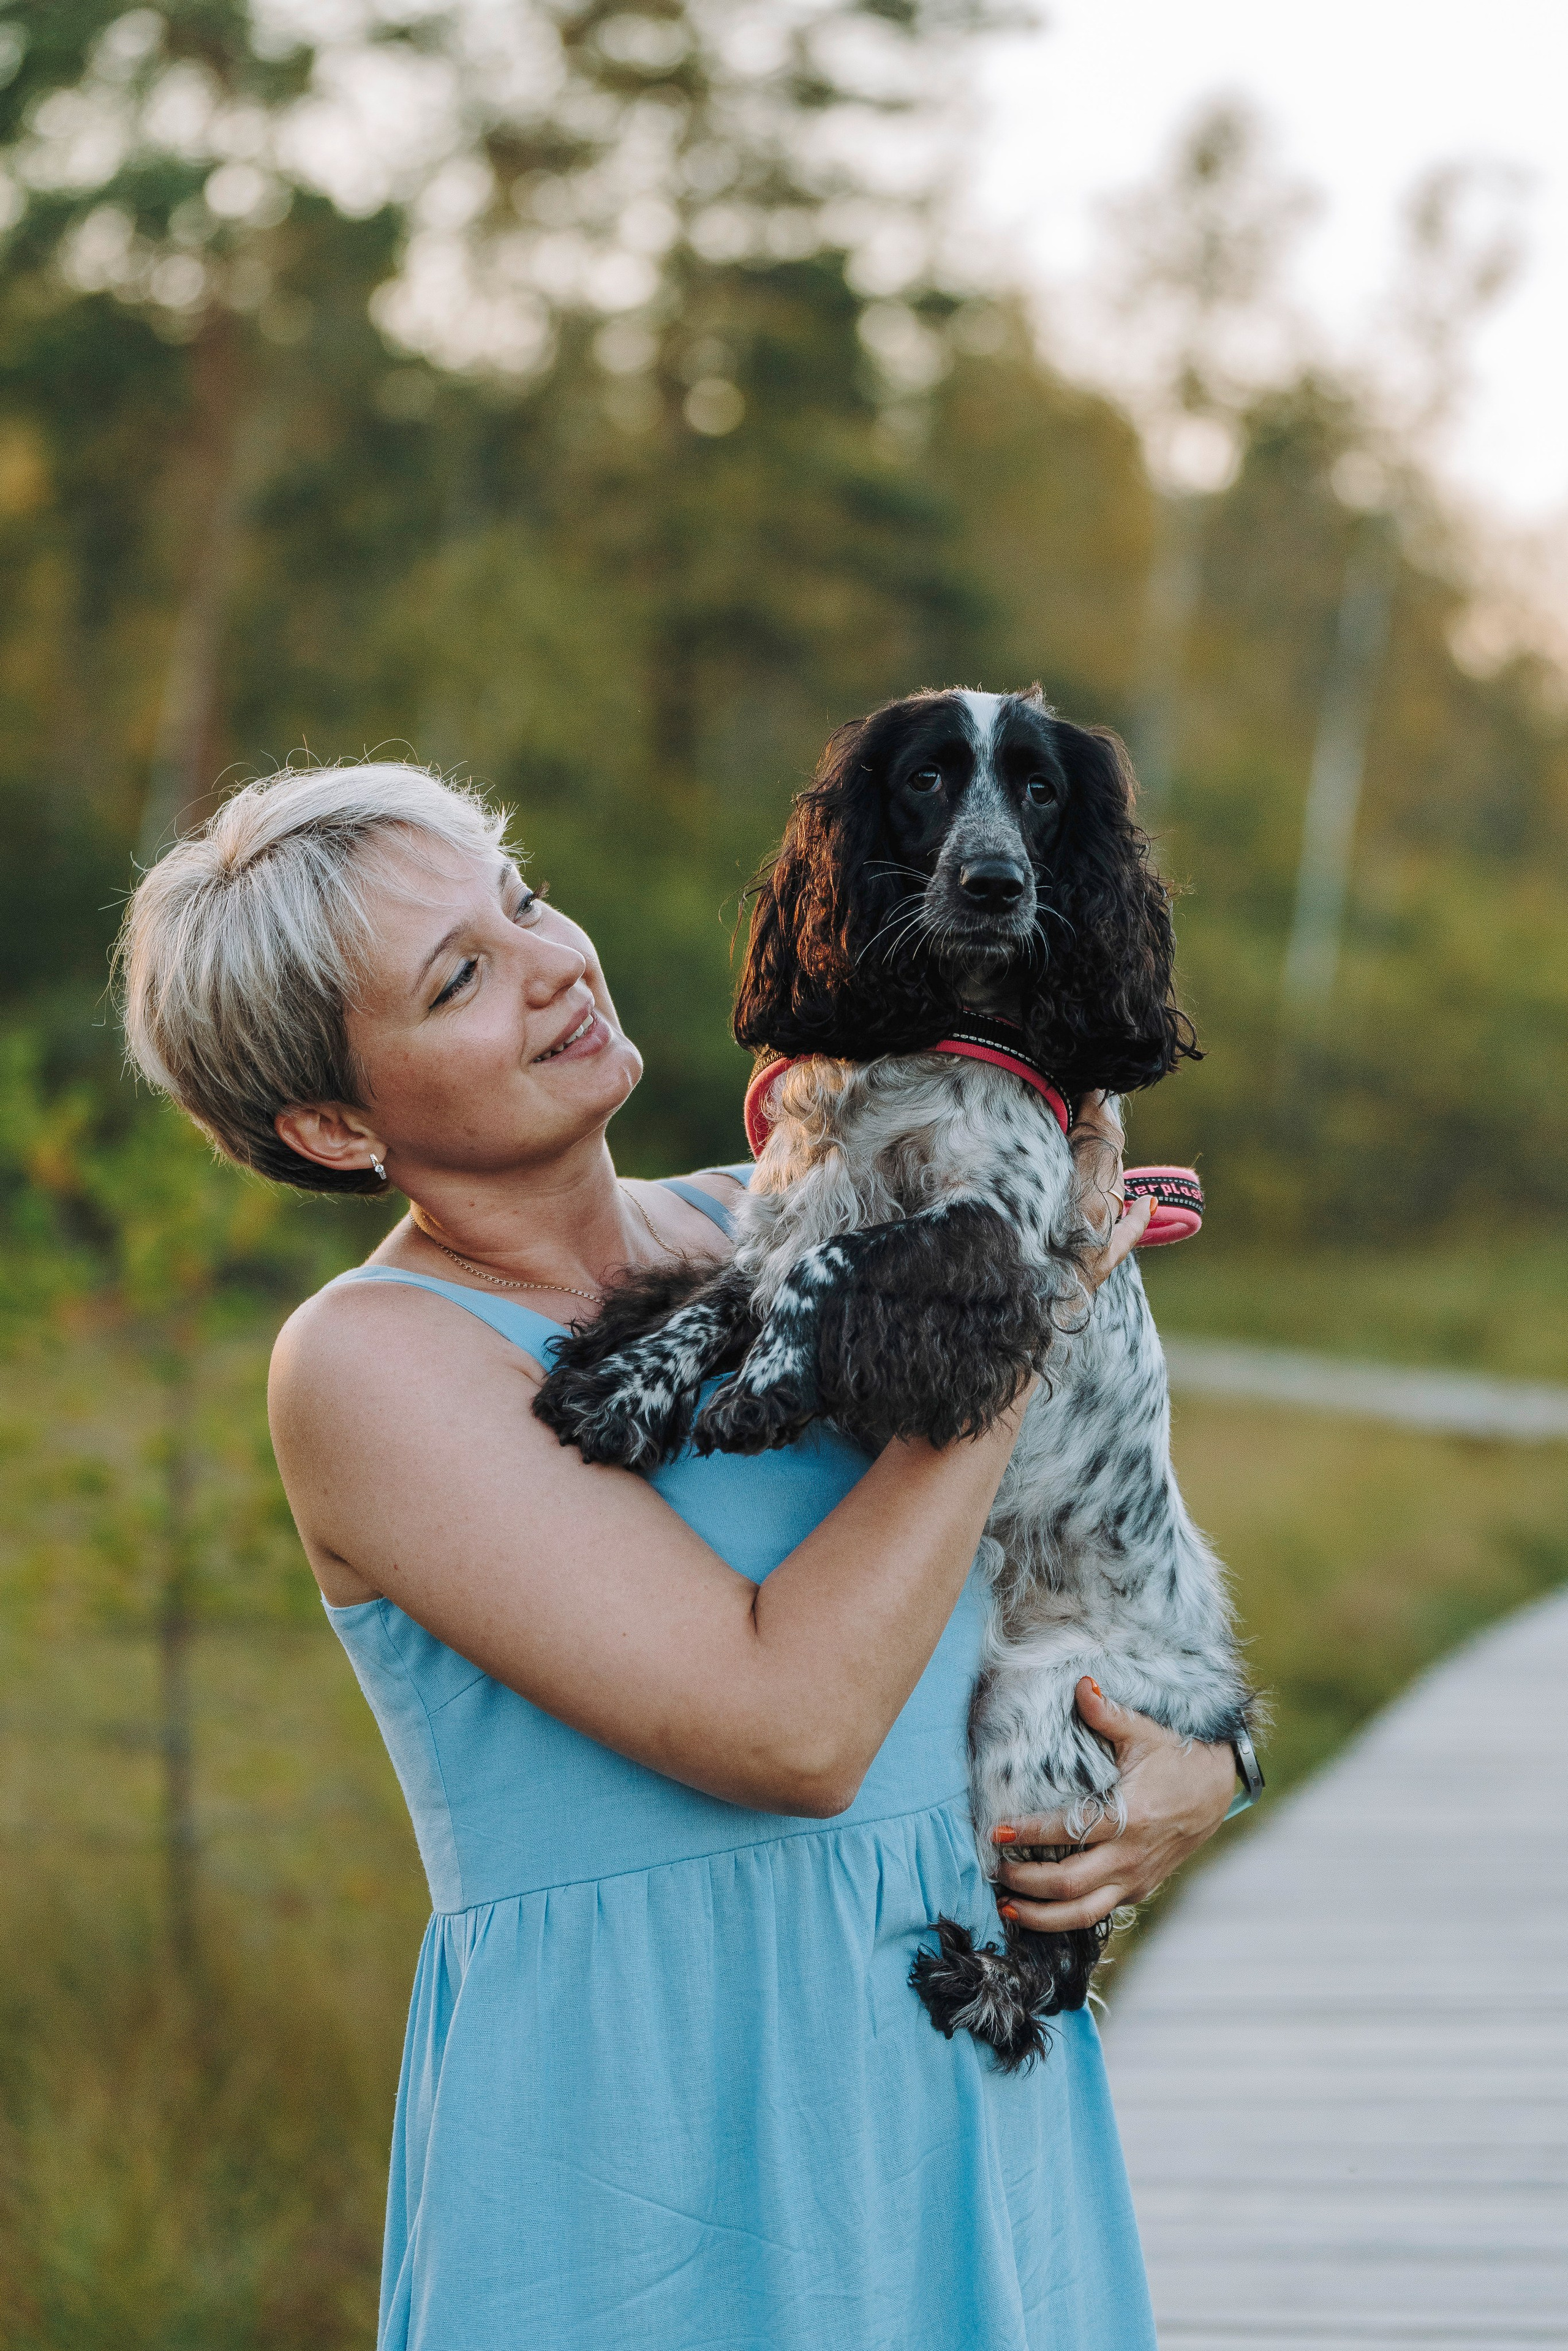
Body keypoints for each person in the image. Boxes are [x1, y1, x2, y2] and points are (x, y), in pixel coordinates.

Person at [118, 762, 1240, 2351]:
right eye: (459, 978)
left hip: (953, 2106)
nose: (552, 964)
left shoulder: (798, 1215)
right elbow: (789, 1730)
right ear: (329, 1120)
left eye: (521, 901)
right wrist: (1021, 1305)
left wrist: (1207, 1760)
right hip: (646, 2141)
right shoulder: (374, 1360)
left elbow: (1104, 1573)